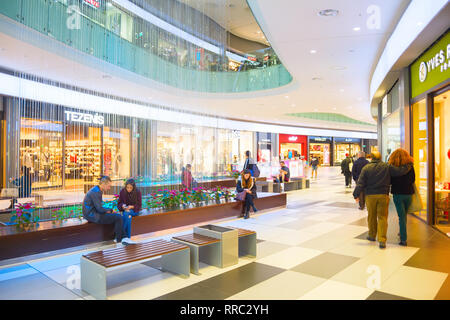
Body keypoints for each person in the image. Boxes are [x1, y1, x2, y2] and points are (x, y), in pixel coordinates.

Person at [353, 151, 411, 249]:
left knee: (371, 216)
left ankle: (371, 235)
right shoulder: (387, 167)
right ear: (380, 158)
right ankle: (382, 240)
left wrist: (356, 194)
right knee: (382, 217)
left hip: (370, 196)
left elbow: (360, 183)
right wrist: (408, 165)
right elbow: (400, 171)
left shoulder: (366, 168)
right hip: (383, 196)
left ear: (371, 158)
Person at [82, 176, 128, 245]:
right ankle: (120, 240)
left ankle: (123, 238)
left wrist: (110, 211)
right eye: (109, 186)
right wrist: (111, 211)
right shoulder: (96, 192)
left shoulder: (96, 190)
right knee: (118, 217)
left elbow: (99, 208)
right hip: (92, 216)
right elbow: (100, 209)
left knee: (116, 217)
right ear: (103, 184)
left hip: (92, 214)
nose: (109, 188)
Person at [389, 148, 415, 246]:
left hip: (398, 194)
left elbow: (390, 181)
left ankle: (403, 239)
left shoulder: (392, 168)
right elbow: (413, 179)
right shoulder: (410, 167)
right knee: (404, 215)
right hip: (408, 194)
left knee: (401, 216)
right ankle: (401, 231)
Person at [118, 179, 142, 244]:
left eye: (130, 188)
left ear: (133, 187)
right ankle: (127, 238)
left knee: (127, 213)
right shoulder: (122, 191)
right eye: (127, 187)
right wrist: (123, 206)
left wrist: (131, 207)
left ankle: (120, 235)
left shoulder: (137, 192)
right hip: (126, 211)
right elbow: (119, 204)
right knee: (128, 216)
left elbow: (139, 206)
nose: (129, 189)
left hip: (134, 210)